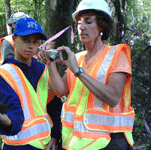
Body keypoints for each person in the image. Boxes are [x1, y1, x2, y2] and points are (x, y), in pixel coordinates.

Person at [39, 0, 135, 149]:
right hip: (75, 141)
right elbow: (60, 91)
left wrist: (78, 71)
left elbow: (113, 97)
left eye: (88, 22)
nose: (81, 27)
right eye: (78, 23)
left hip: (107, 141)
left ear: (102, 26)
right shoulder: (77, 58)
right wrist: (50, 63)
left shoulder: (116, 54)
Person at [0, 17, 61, 150]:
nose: (30, 46)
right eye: (26, 40)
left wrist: (56, 135)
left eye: (35, 42)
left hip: (44, 143)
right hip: (18, 145)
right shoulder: (5, 73)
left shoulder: (43, 69)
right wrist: (6, 121)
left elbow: (53, 105)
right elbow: (13, 110)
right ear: (14, 39)